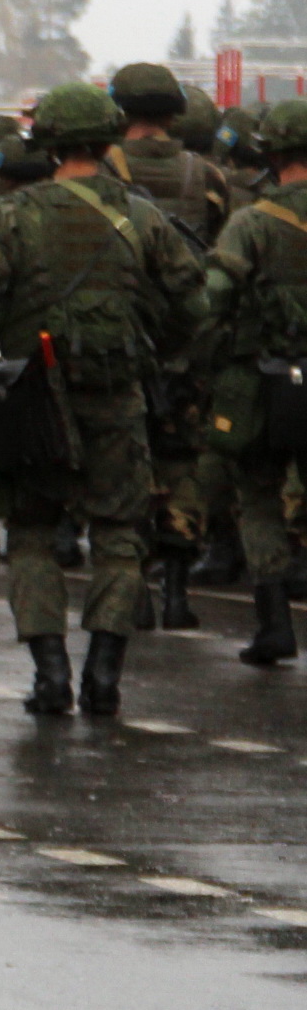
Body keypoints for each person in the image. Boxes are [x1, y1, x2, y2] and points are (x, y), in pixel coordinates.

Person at [0, 83, 205, 716]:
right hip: (116, 394)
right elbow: (194, 300)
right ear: (108, 139)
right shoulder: (143, 216)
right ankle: (105, 674)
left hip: (32, 397)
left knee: (31, 532)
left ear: (45, 144)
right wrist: (155, 350)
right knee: (119, 535)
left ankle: (50, 675)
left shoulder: (14, 216)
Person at [107, 61, 233, 626]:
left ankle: (131, 590)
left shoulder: (101, 170)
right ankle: (178, 592)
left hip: (122, 337)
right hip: (187, 340)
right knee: (182, 460)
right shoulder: (205, 176)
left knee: (122, 459)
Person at [199, 97, 307, 667]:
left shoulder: (251, 222)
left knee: (260, 498)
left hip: (265, 383)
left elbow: (212, 300)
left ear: (271, 153)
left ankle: (273, 627)